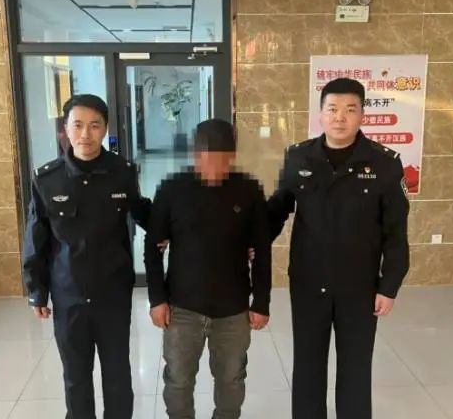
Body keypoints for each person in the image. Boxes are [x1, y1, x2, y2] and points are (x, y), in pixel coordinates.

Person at [268, 78, 410, 418]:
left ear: (362, 115)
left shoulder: (384, 164)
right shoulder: (298, 157)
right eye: (332, 109)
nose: (340, 117)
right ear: (320, 114)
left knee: (356, 367)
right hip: (308, 282)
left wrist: (389, 285)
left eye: (350, 110)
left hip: (359, 286)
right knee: (307, 364)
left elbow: (395, 232)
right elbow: (276, 211)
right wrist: (251, 243)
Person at [22, 94, 151, 419]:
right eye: (77, 125)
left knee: (118, 374)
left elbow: (142, 212)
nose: (85, 134)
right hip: (69, 296)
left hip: (113, 294)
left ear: (105, 129)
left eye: (94, 126)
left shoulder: (123, 172)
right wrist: (36, 290)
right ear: (65, 129)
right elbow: (36, 237)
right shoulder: (47, 179)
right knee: (76, 377)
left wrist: (176, 231)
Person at [145, 119, 272, 419]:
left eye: (221, 162)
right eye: (206, 161)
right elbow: (152, 248)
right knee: (178, 381)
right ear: (195, 155)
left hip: (233, 310)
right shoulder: (172, 189)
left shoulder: (248, 190)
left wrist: (261, 302)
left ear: (232, 157)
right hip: (181, 308)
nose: (213, 170)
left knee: (231, 380)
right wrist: (157, 299)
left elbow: (262, 250)